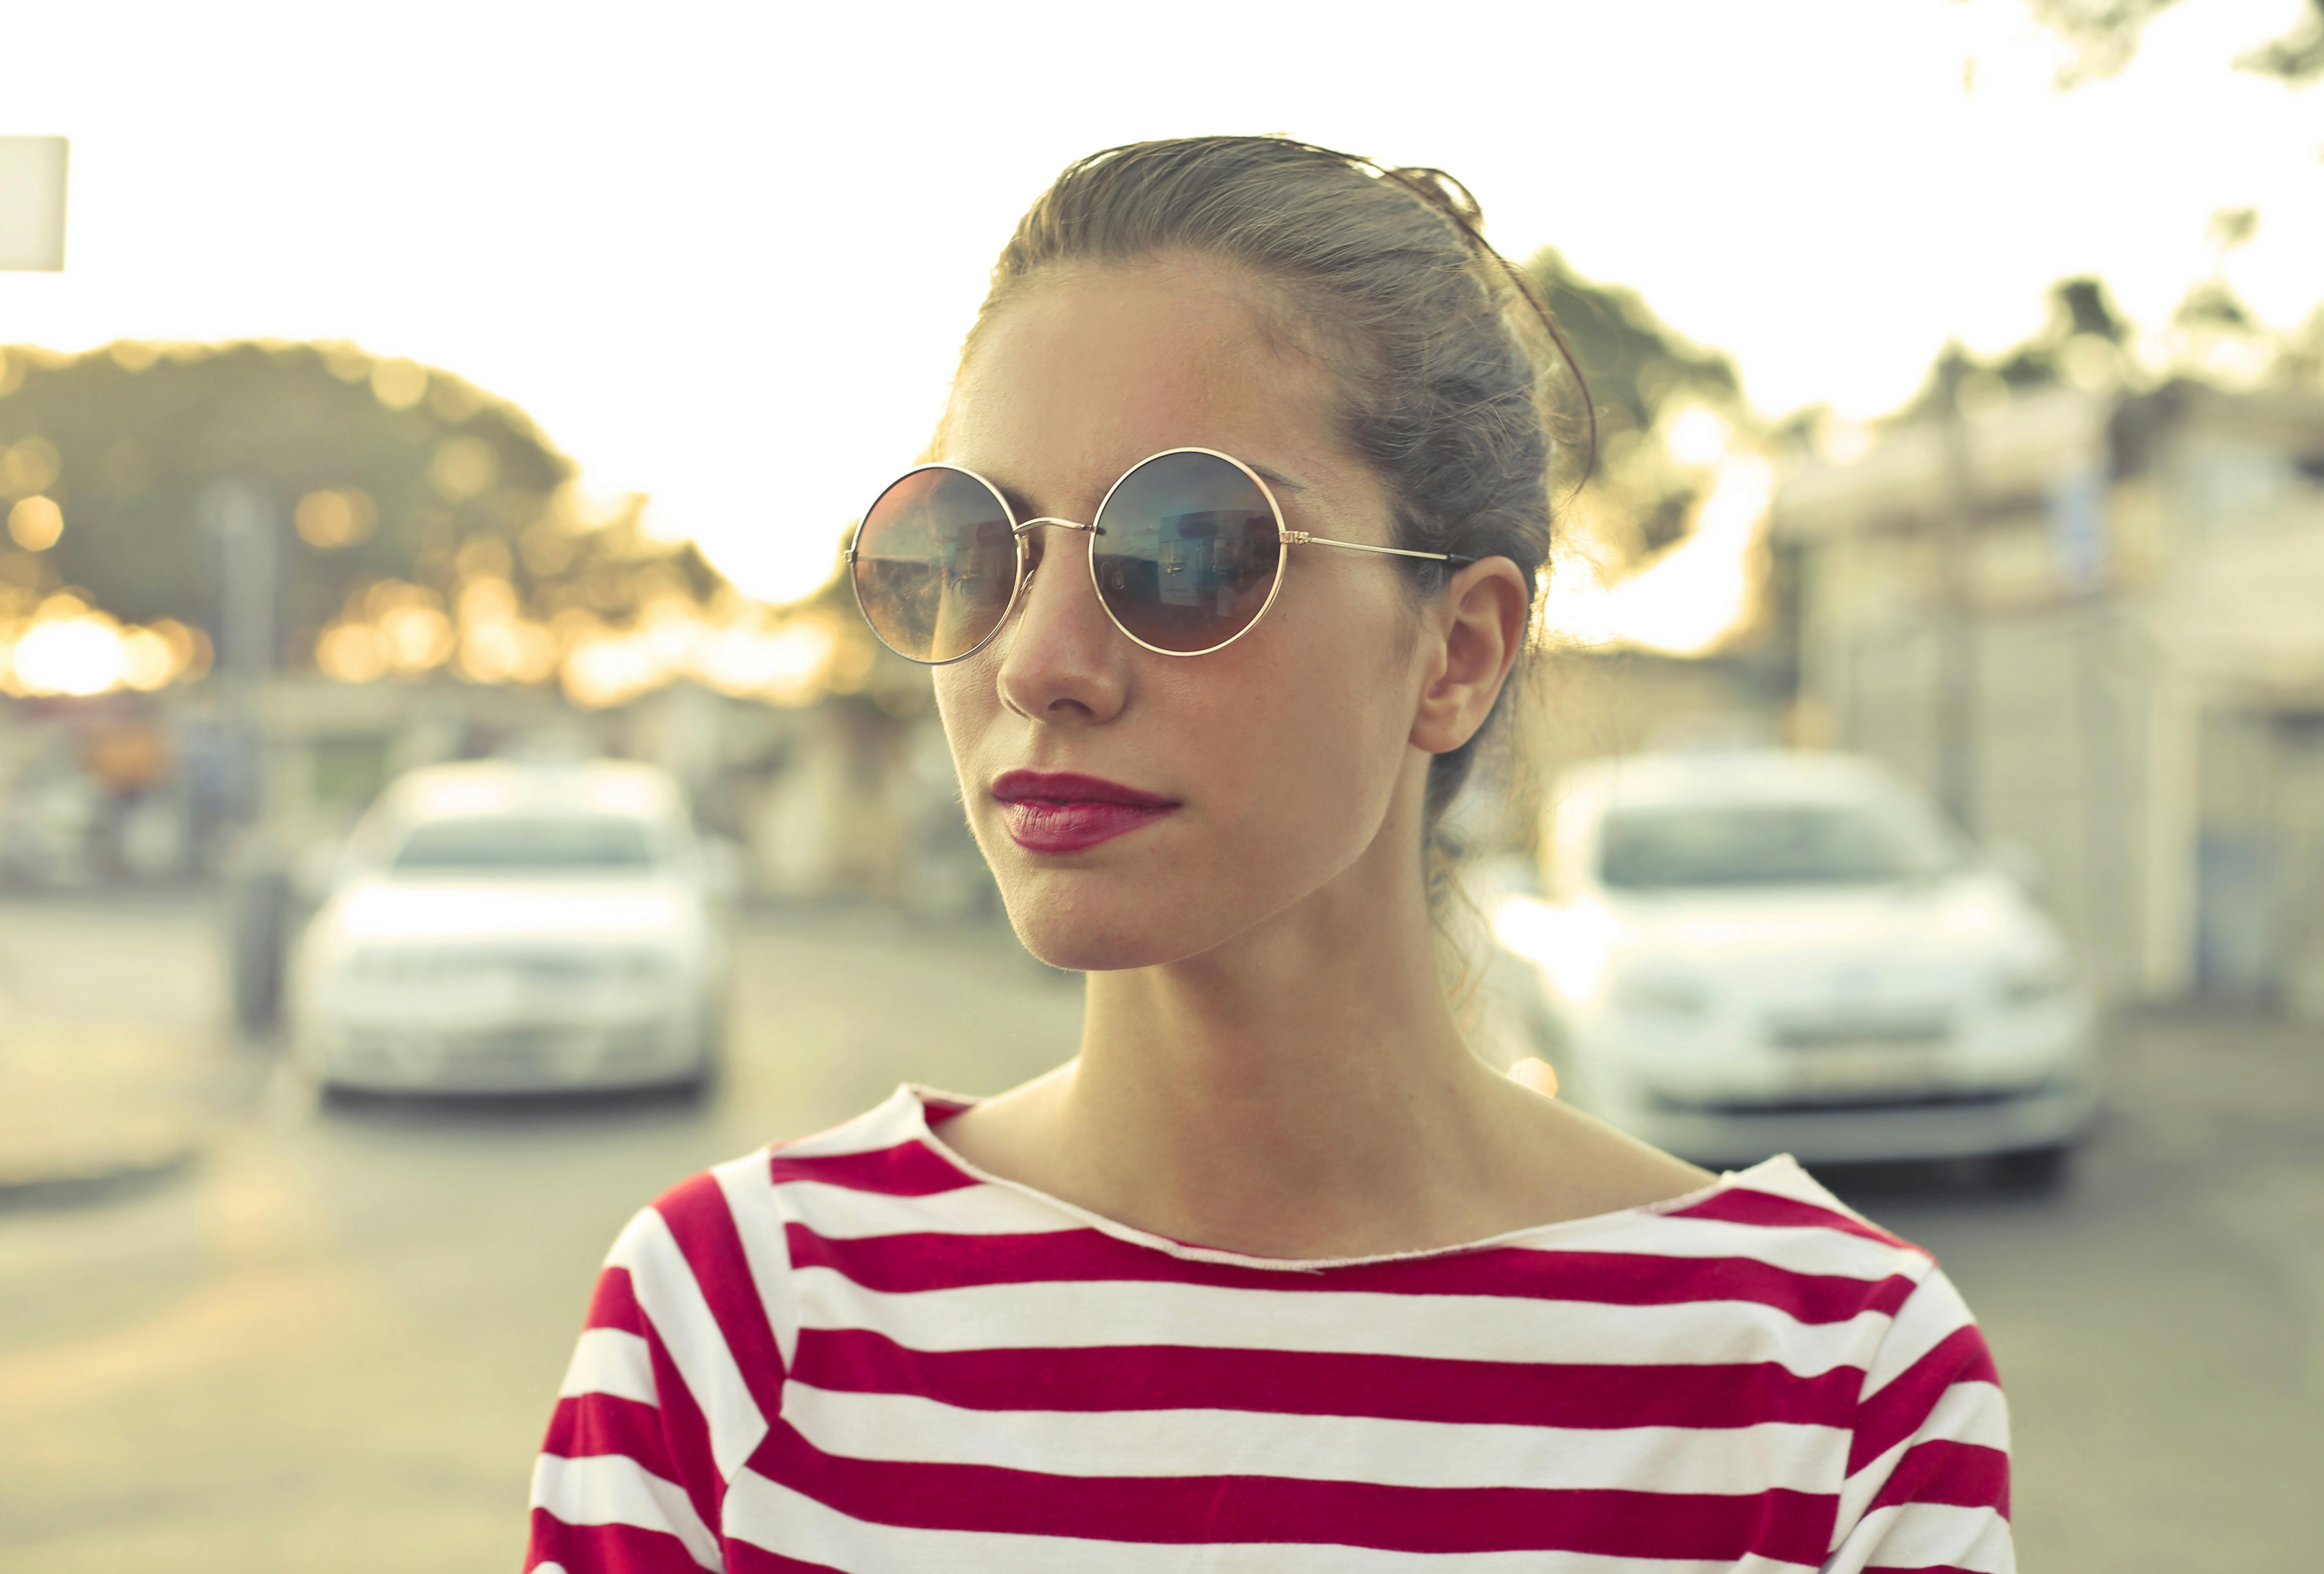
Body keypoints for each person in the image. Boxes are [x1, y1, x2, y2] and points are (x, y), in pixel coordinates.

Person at [525, 135, 2013, 1573]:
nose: (1039, 664)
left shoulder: (1825, 1390)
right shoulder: (742, 1328)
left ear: (1457, 652)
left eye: (1189, 547)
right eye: (979, 549)